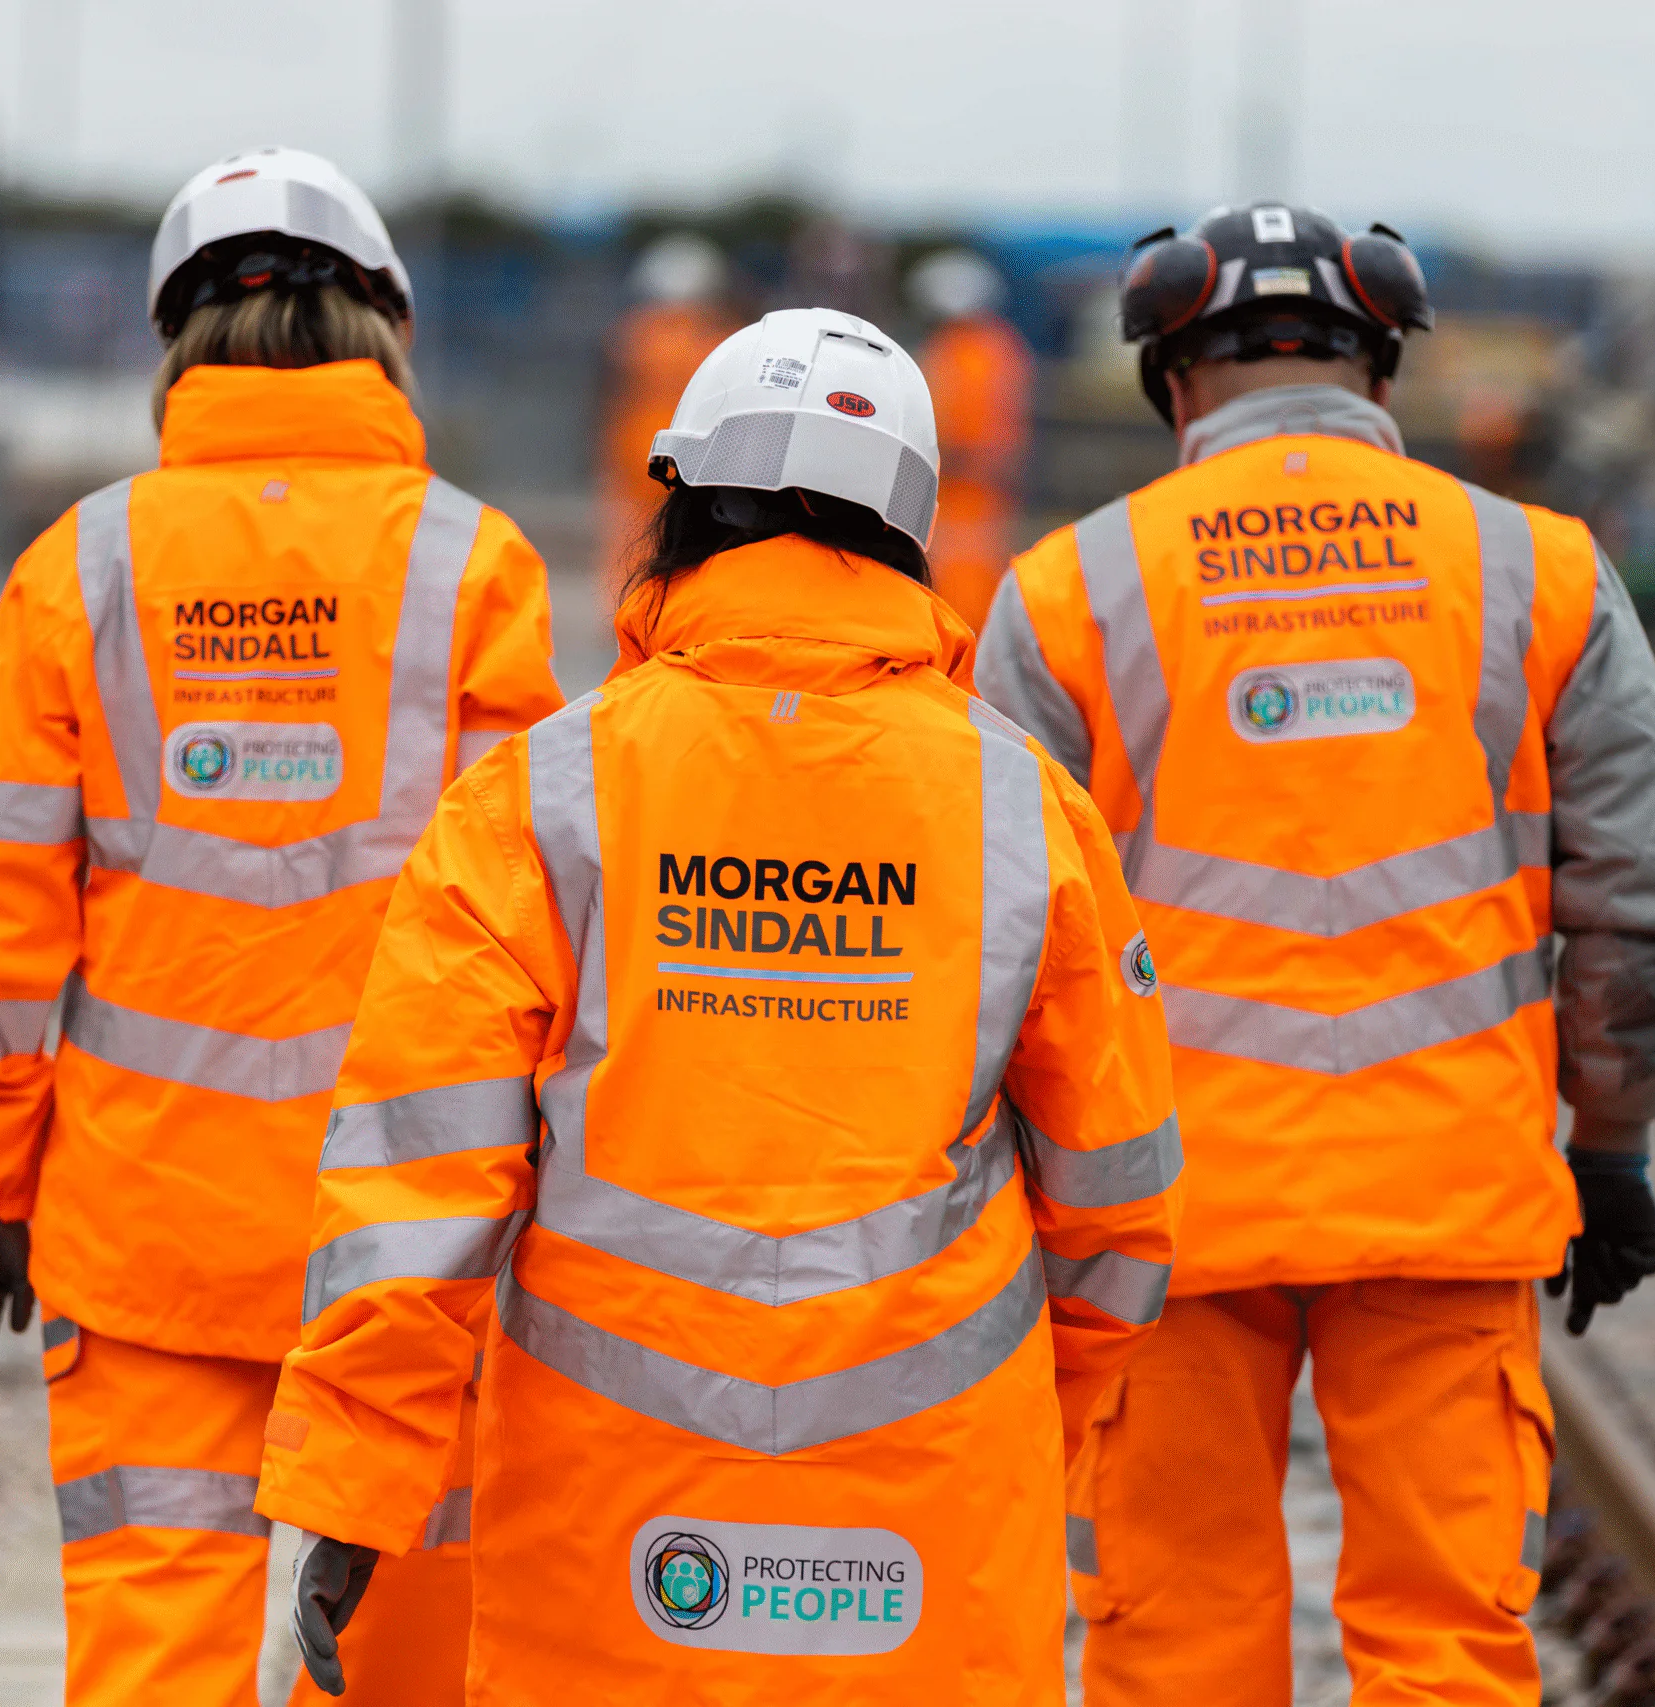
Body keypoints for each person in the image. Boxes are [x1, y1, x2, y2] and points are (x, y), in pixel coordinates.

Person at [253, 306, 1183, 1703]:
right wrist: (1017, 1418)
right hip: (930, 1499)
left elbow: (416, 1183)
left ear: (682, 503)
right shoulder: (1021, 810)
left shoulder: (542, 796)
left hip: (608, 1506)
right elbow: (1118, 1205)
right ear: (911, 529)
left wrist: (343, 1489)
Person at [974, 202, 1655, 1705]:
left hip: (1156, 1224)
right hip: (1445, 1202)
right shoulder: (1537, 570)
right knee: (1451, 1647)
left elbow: (990, 932)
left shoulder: (1068, 594)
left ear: (1170, 380)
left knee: (1171, 1649)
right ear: (1384, 369)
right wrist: (1614, 1139)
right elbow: (1644, 895)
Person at [0, 145, 567, 1707]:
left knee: (158, 1645)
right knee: (406, 1650)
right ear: (384, 326)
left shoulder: (84, 566)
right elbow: (541, 921)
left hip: (147, 1232)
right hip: (416, 1233)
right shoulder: (476, 567)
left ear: (175, 342)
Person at [598, 234, 738, 603]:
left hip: (636, 446)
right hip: (696, 449)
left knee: (630, 531)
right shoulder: (717, 338)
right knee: (693, 532)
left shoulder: (635, 332)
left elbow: (613, 390)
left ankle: (624, 605)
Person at [909, 249, 1033, 634]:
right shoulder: (1003, 346)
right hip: (988, 497)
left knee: (954, 607)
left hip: (959, 496)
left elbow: (951, 435)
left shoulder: (957, 352)